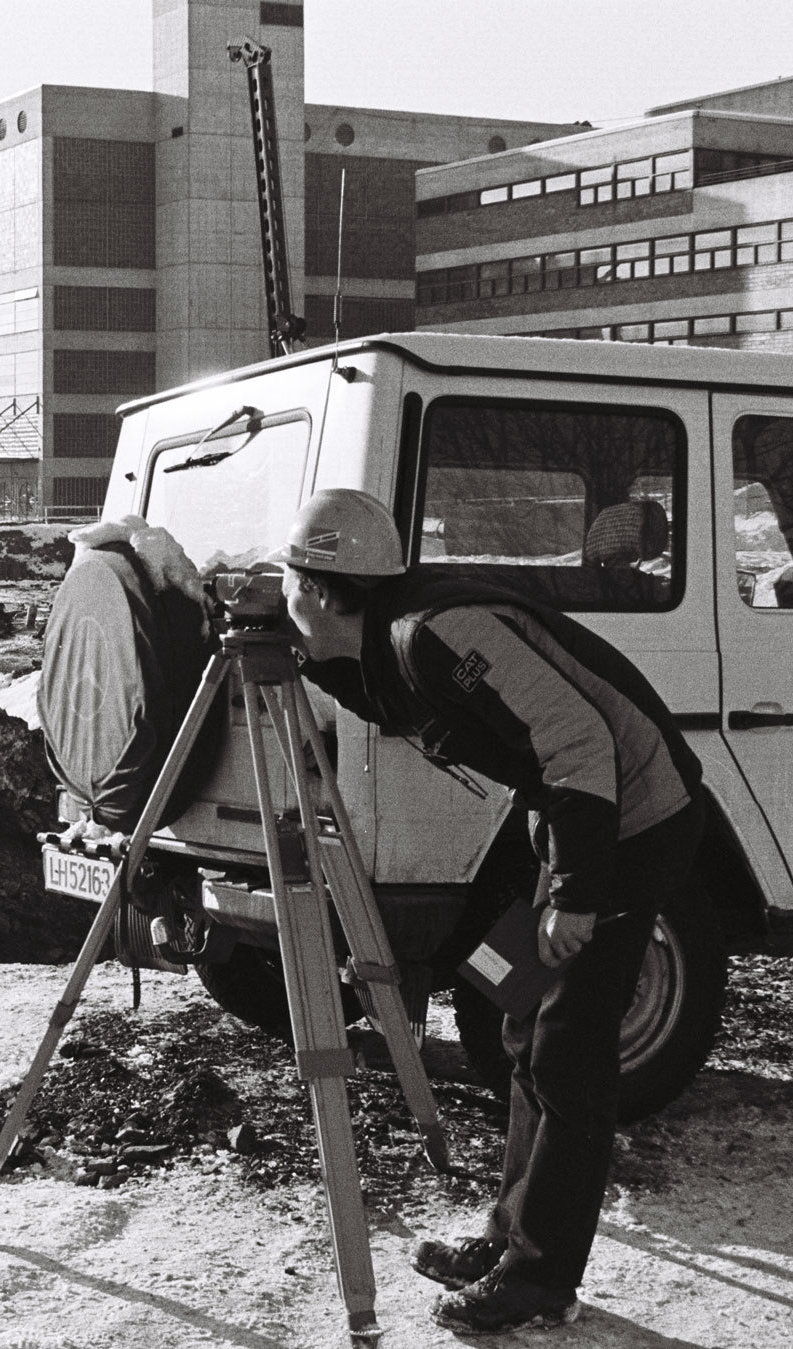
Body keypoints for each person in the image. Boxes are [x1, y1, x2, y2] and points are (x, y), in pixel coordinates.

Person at [273, 488, 703, 1336]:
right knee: (521, 1020)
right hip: (575, 814)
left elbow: (580, 742)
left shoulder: (438, 634)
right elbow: (390, 697)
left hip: (632, 820)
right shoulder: (391, 632)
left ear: (323, 590)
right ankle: (511, 1235)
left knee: (569, 1047)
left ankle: (542, 1275)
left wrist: (577, 896)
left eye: (289, 582)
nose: (284, 594)